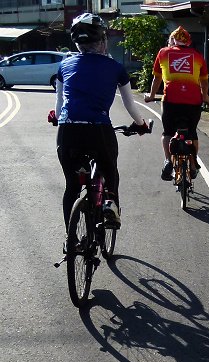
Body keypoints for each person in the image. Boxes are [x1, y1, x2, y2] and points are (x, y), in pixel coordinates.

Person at [54, 12, 149, 234]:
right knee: (110, 171)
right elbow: (130, 106)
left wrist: (58, 118)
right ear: (103, 40)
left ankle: (72, 240)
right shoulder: (115, 67)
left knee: (72, 186)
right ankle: (110, 204)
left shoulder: (64, 66)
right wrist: (141, 124)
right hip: (98, 131)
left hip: (67, 131)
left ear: (77, 42)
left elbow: (59, 107)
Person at [145, 26, 209, 181]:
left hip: (171, 101)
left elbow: (157, 79)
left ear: (172, 40)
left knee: (167, 132)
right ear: (188, 42)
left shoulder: (163, 53)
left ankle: (168, 160)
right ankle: (193, 165)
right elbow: (204, 82)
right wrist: (206, 97)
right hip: (193, 102)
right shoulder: (198, 56)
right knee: (192, 132)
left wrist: (151, 95)